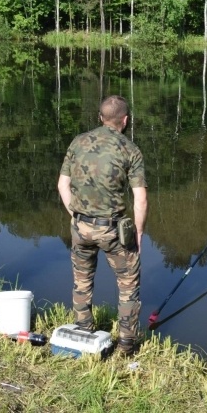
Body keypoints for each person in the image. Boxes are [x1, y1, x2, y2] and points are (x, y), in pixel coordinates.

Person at [57, 95, 148, 356]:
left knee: (82, 280)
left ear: (100, 117)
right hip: (113, 230)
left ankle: (84, 330)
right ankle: (127, 346)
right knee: (128, 286)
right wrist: (139, 232)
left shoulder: (78, 142)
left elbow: (62, 185)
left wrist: (75, 213)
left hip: (81, 226)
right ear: (125, 120)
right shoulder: (130, 149)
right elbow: (140, 199)